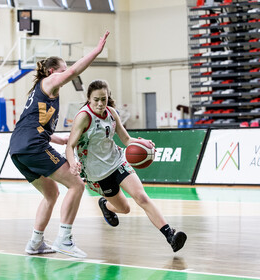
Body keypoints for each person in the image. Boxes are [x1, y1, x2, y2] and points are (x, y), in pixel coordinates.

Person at [9, 31, 110, 258]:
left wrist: (59, 139)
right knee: (77, 185)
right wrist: (96, 51)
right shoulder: (50, 82)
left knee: (51, 193)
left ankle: (35, 243)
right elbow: (75, 71)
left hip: (18, 149)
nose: (67, 73)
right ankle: (64, 238)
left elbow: (33, 124)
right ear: (53, 72)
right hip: (32, 147)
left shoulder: (45, 93)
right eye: (63, 70)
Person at [65, 79, 187, 253]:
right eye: (96, 100)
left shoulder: (112, 113)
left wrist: (142, 142)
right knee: (125, 208)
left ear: (108, 98)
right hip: (96, 174)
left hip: (117, 161)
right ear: (89, 99)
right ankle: (105, 205)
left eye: (103, 99)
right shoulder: (84, 117)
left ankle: (170, 235)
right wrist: (72, 163)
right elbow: (70, 145)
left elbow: (126, 139)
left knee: (142, 197)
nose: (100, 103)